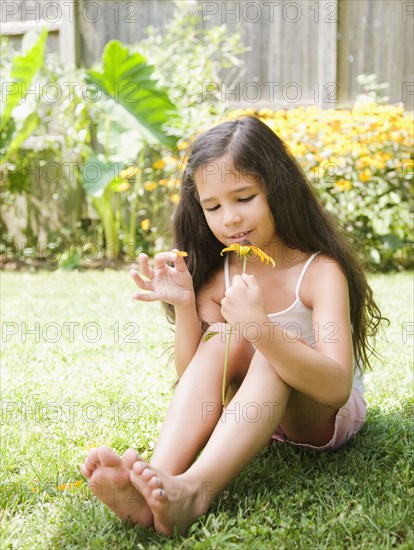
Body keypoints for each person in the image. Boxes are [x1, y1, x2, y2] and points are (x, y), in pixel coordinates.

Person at [81, 116, 385, 536]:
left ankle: (193, 493)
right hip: (254, 415)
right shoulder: (219, 273)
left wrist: (262, 330)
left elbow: (335, 386)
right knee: (224, 335)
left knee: (275, 348)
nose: (230, 219)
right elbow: (197, 380)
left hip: (319, 414)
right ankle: (154, 479)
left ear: (278, 189)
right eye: (214, 207)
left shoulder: (319, 271)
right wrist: (186, 307)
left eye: (244, 198)